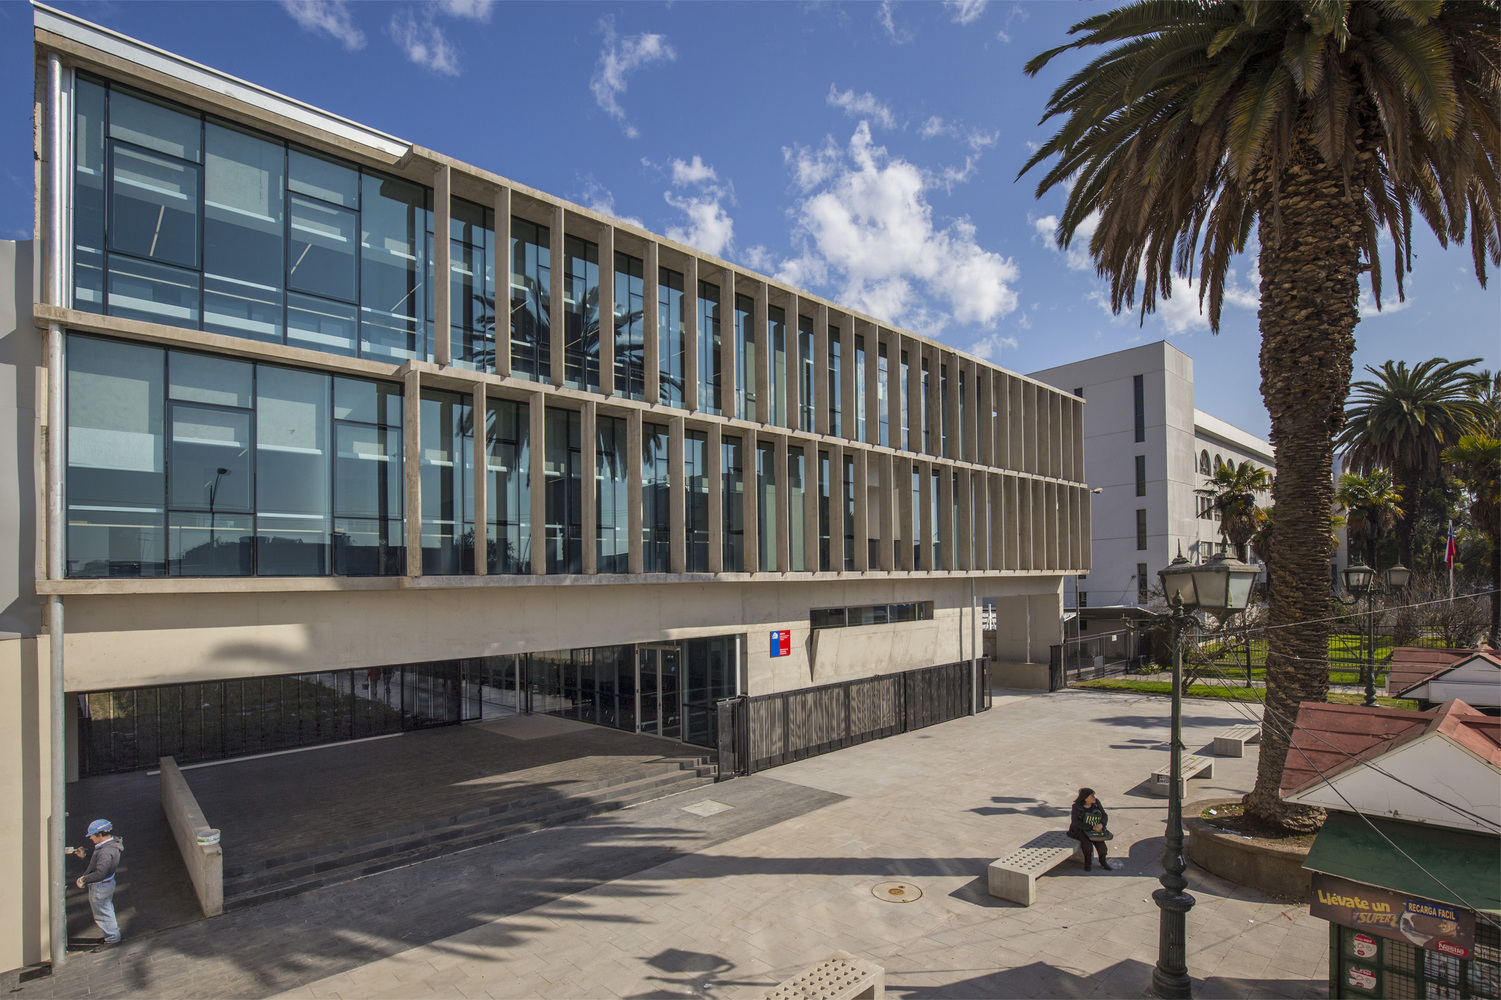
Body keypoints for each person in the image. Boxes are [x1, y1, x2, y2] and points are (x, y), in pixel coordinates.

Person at [72, 819, 124, 946]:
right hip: (106, 885)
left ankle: (112, 939)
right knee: (106, 911)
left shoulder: (106, 851)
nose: (90, 838)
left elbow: (100, 872)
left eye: (92, 835)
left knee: (103, 914)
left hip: (101, 887)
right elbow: (100, 863)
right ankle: (111, 936)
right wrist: (85, 856)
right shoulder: (110, 845)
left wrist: (83, 879)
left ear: (100, 835)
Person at [1067, 788, 1115, 871]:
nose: (1094, 798)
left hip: (1096, 829)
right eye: (1092, 796)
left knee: (1102, 848)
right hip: (1081, 830)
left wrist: (1101, 824)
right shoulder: (1077, 807)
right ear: (1085, 799)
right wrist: (1091, 827)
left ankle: (1103, 862)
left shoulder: (1096, 803)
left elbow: (1104, 815)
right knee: (1087, 847)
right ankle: (1087, 864)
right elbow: (1075, 822)